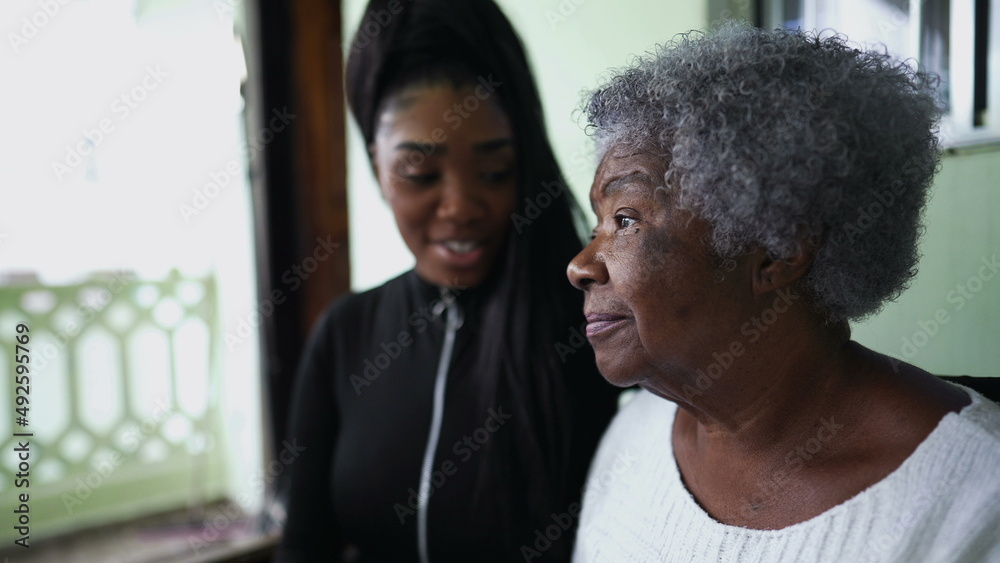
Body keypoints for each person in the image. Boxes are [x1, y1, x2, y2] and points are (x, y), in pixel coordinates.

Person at [567, 22, 1000, 562]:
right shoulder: (635, 433)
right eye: (597, 226)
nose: (581, 266)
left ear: (777, 250)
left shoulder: (975, 500)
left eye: (626, 221)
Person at [275, 0, 619, 561]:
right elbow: (305, 547)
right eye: (419, 173)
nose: (460, 207)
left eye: (494, 172)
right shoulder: (346, 335)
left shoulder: (588, 328)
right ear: (378, 168)